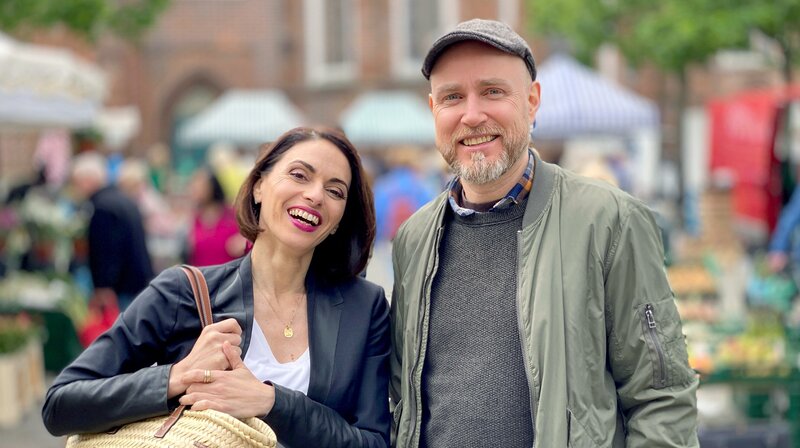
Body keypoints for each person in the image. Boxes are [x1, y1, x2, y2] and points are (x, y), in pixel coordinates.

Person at [389, 19, 698, 448]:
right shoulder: (414, 239)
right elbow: (406, 401)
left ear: (532, 102)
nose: (472, 114)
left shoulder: (609, 220)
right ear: (433, 111)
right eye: (452, 97)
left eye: (493, 92)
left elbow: (661, 398)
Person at [43, 127, 391, 448]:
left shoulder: (365, 307)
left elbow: (375, 441)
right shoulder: (182, 292)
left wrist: (272, 402)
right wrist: (177, 377)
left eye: (335, 191)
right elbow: (61, 403)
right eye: (299, 175)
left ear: (338, 221)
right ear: (258, 186)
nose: (315, 195)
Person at [70, 152, 154, 312]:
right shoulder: (120, 198)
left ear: (89, 180)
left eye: (77, 182)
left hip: (122, 288)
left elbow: (106, 250)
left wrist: (103, 286)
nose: (76, 188)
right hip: (137, 282)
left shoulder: (102, 206)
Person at [185, 167, 247, 266]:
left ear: (212, 186)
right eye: (193, 185)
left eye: (200, 185)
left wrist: (245, 241)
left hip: (231, 276)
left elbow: (256, 238)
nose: (195, 189)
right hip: (202, 277)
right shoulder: (193, 219)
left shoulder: (232, 214)